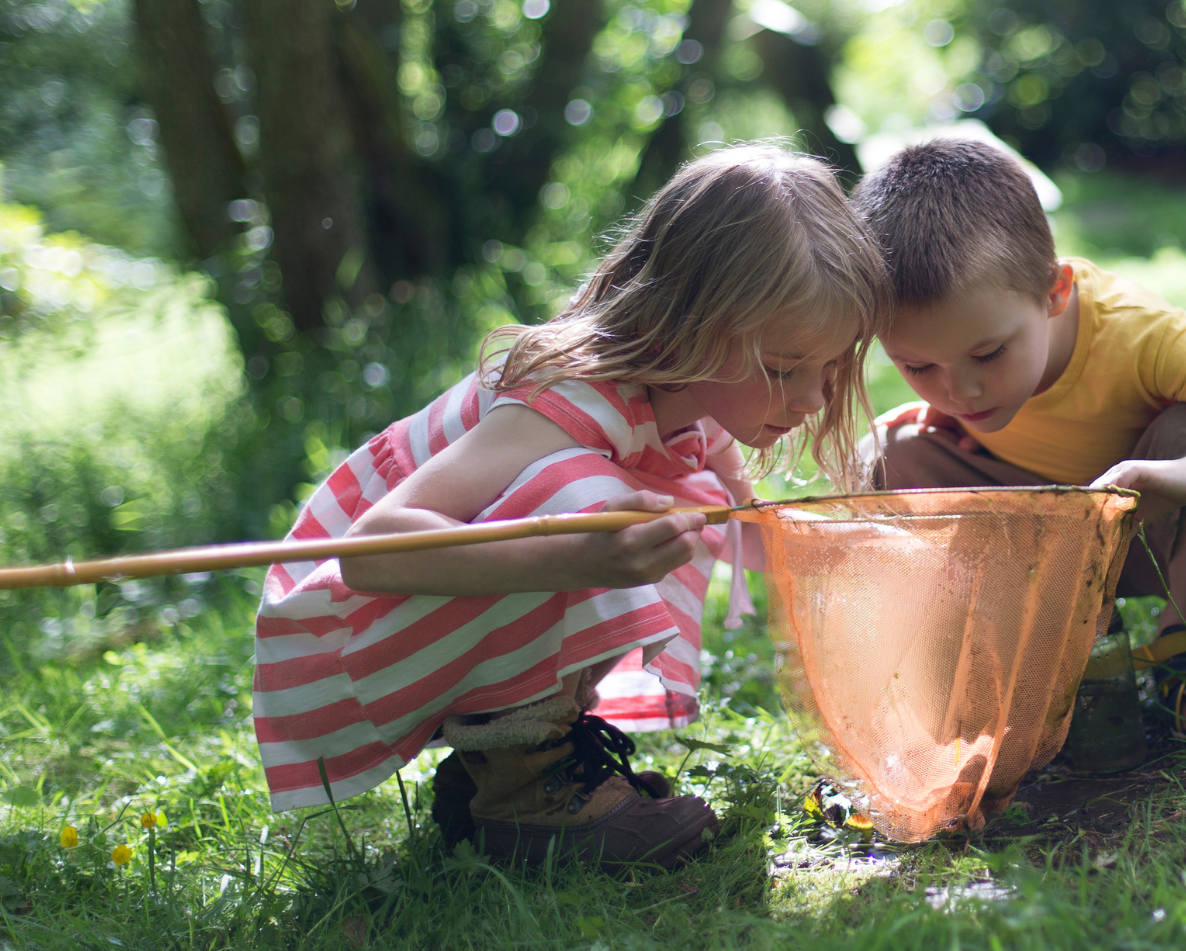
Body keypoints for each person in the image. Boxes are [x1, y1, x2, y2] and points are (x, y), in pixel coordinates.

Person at [253, 145, 889, 870]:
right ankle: (529, 794)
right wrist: (579, 556)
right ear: (691, 322)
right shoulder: (566, 402)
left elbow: (750, 527)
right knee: (596, 504)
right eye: (782, 369)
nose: (810, 401)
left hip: (416, 627)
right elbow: (373, 552)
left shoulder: (696, 397)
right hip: (337, 637)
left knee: (682, 503)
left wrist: (842, 561)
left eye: (829, 368)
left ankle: (503, 767)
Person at [852, 137, 1186, 733]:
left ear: (1056, 290)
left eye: (988, 354)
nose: (959, 392)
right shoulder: (961, 379)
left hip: (1162, 536)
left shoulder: (1138, 333)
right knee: (886, 455)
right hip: (1048, 545)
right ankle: (1022, 650)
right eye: (918, 368)